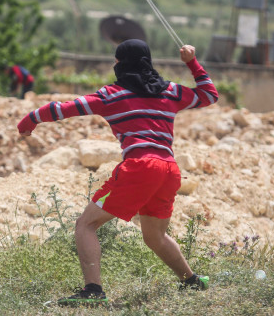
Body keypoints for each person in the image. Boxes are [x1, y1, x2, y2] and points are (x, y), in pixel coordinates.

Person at [16, 39, 218, 306]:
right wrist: (191, 62)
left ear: (119, 64)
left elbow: (64, 108)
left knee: (86, 225)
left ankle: (93, 291)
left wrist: (29, 120)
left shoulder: (111, 95)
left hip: (140, 166)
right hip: (169, 169)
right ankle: (191, 281)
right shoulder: (170, 91)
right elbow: (210, 95)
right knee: (154, 236)